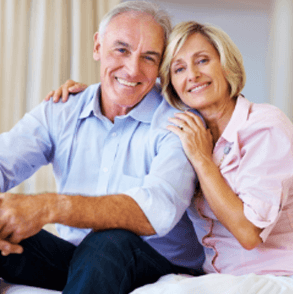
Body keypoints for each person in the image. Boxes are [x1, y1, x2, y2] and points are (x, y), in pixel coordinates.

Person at [61, 21, 293, 293]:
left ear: (226, 64)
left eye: (202, 61)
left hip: (273, 276)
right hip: (212, 277)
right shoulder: (188, 127)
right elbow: (139, 86)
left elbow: (249, 233)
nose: (192, 75)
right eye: (179, 69)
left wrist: (203, 160)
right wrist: (93, 93)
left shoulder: (264, 126)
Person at [0, 3, 205, 294]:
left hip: (157, 264)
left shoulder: (179, 122)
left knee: (108, 240)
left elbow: (155, 211)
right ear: (98, 46)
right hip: (80, 261)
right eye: (121, 50)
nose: (133, 69)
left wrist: (48, 207)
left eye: (149, 57)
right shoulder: (62, 109)